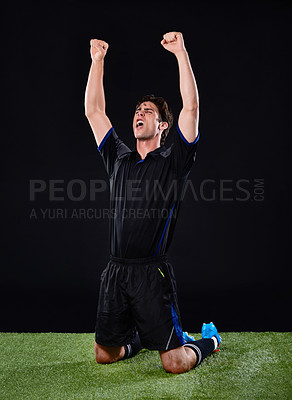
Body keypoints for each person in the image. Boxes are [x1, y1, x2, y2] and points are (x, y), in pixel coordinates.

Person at [84, 31, 221, 374]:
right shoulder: (119, 157)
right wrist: (97, 61)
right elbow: (93, 111)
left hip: (151, 273)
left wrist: (181, 52)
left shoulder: (173, 160)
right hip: (115, 270)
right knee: (105, 355)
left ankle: (209, 341)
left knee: (174, 364)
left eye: (147, 111)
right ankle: (144, 338)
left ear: (161, 125)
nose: (138, 113)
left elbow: (191, 107)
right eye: (136, 110)